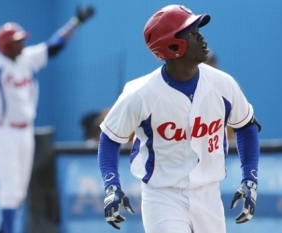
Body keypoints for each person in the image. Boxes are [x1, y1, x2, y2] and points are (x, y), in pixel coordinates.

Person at [97, 5, 261, 233]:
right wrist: (111, 185)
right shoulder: (140, 93)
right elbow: (110, 138)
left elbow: (246, 126)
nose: (202, 37)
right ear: (174, 46)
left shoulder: (223, 84)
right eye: (192, 33)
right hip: (162, 195)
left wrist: (250, 178)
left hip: (209, 193)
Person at [0, 0, 95, 232]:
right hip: (4, 131)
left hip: (25, 131)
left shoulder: (28, 58)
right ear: (5, 46)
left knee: (19, 193)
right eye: (16, 41)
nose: (22, 42)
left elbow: (54, 46)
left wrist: (76, 22)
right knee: (10, 190)